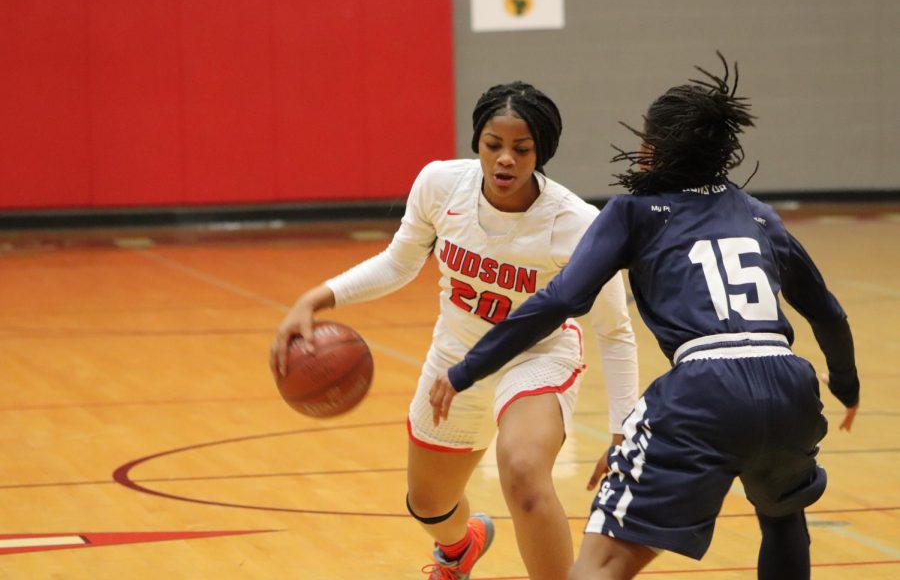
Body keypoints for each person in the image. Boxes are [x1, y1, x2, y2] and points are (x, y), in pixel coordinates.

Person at [430, 54, 860, 580]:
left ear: (655, 148)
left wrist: (468, 368)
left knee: (602, 564)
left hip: (705, 387)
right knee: (783, 516)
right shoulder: (758, 213)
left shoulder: (634, 212)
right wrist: (845, 383)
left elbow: (560, 300)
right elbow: (828, 313)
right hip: (789, 382)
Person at [269, 81, 640, 579]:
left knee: (525, 473)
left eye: (521, 149)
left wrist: (623, 431)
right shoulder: (441, 186)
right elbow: (398, 264)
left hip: (537, 359)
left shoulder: (576, 224)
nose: (505, 159)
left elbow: (615, 331)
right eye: (493, 145)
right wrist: (314, 298)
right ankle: (460, 548)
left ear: (541, 152)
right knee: (428, 503)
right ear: (477, 142)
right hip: (455, 359)